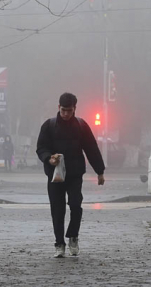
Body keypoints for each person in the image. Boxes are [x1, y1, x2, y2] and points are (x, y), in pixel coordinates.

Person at [36, 92, 105, 258]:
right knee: (57, 210)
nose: (66, 114)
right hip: (55, 176)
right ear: (58, 107)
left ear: (75, 109)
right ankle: (59, 244)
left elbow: (91, 149)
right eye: (63, 110)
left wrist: (100, 171)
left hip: (75, 175)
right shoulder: (49, 126)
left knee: (75, 205)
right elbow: (41, 148)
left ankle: (73, 236)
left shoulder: (81, 126)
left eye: (69, 110)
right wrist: (48, 158)